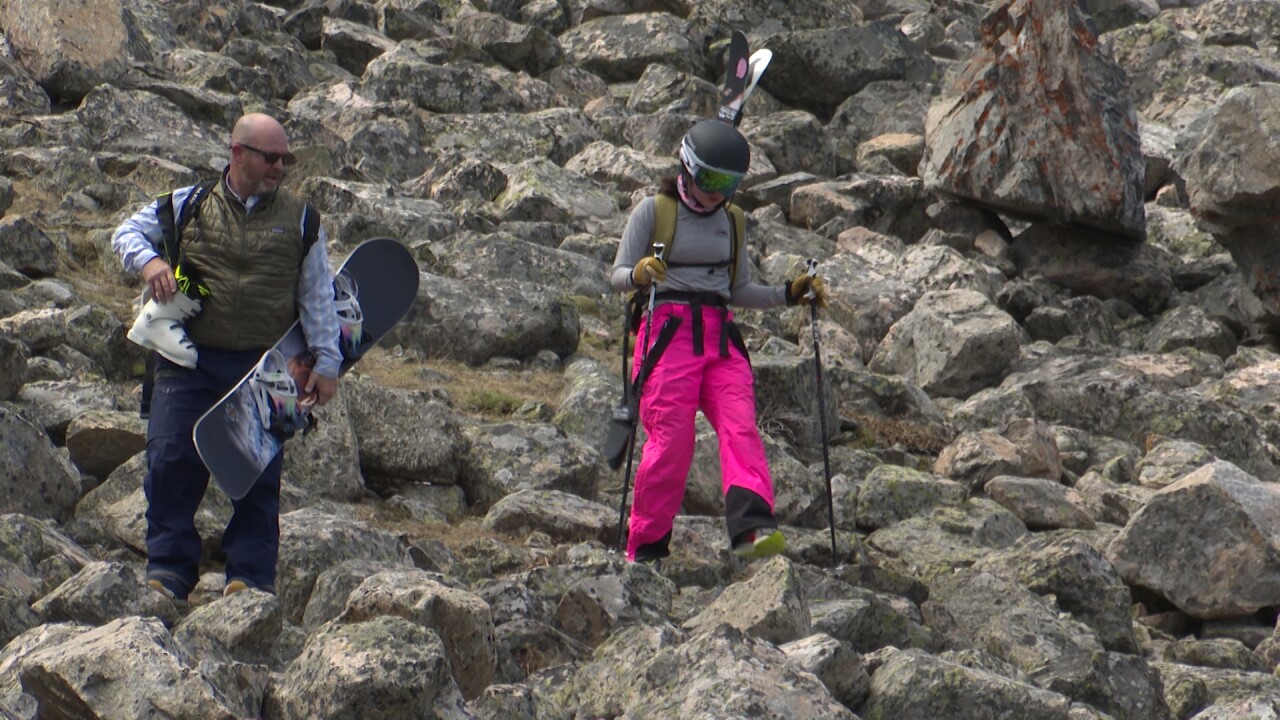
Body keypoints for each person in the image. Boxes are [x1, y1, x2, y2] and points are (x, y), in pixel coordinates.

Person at [112, 113, 342, 601]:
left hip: (263, 366)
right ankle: (169, 571)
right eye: (270, 157)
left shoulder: (303, 220)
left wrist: (326, 362)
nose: (279, 167)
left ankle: (250, 577)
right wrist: (151, 261)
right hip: (187, 361)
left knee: (258, 474)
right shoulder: (187, 204)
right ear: (238, 154)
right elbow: (125, 234)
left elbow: (317, 294)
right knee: (170, 459)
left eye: (285, 158)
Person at [610, 118, 828, 563]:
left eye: (729, 183)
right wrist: (637, 275)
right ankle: (646, 547)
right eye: (710, 178)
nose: (717, 191)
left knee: (740, 426)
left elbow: (738, 291)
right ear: (687, 168)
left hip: (720, 340)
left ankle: (751, 529)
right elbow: (616, 277)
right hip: (667, 336)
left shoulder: (732, 222)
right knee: (672, 441)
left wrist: (790, 294)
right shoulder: (654, 212)